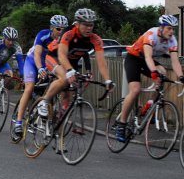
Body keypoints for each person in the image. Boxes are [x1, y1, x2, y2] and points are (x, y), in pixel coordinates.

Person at [42, 8, 114, 150]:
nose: (89, 28)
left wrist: (108, 80)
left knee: (67, 101)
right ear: (77, 24)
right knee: (64, 79)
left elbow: (101, 62)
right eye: (85, 24)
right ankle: (43, 102)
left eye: (91, 25)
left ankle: (60, 137)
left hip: (72, 63)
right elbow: (62, 55)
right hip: (54, 57)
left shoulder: (95, 39)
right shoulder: (68, 33)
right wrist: (69, 71)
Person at [115, 14, 184, 142]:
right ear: (161, 28)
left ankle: (149, 106)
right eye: (169, 28)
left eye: (173, 29)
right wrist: (153, 72)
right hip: (134, 59)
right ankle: (121, 124)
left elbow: (175, 62)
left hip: (147, 60)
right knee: (135, 90)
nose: (171, 31)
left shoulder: (172, 40)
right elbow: (147, 57)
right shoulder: (151, 34)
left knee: (163, 72)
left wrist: (181, 76)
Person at [12, 15, 68, 139]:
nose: (61, 32)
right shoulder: (43, 34)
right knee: (30, 87)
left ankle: (44, 117)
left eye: (64, 29)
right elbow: (37, 54)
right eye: (58, 29)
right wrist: (40, 68)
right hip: (33, 62)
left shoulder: (64, 40)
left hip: (49, 65)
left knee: (54, 88)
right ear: (51, 28)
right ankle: (19, 122)